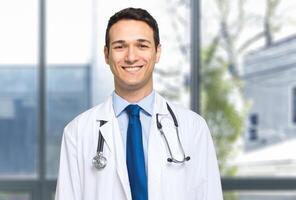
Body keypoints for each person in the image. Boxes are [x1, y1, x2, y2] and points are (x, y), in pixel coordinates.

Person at [55, 7, 223, 200]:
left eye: (142, 45)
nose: (131, 57)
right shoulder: (77, 132)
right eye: (120, 46)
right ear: (106, 54)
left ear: (157, 52)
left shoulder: (194, 127)